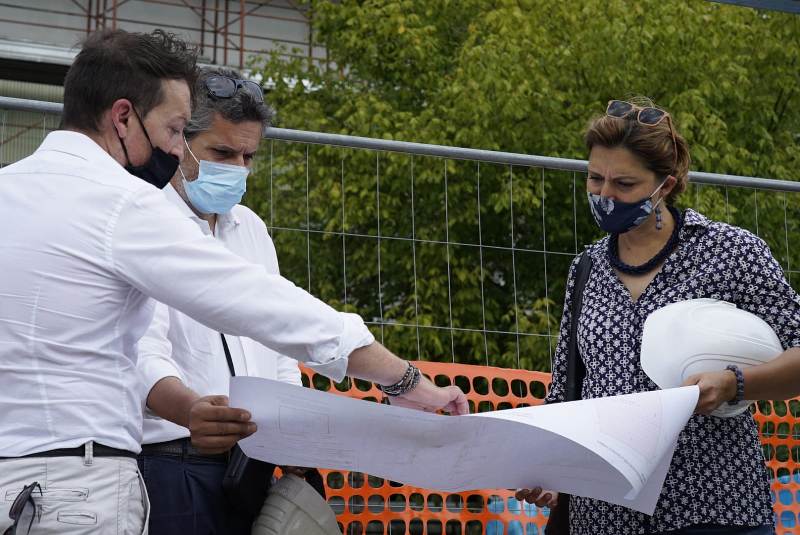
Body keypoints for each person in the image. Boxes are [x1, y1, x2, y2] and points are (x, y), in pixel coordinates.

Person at [0, 29, 467, 534]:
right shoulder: (123, 204)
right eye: (175, 130)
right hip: (82, 485)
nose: (176, 149)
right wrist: (402, 379)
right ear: (122, 117)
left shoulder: (10, 188)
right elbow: (259, 304)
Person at [516, 98, 800, 535]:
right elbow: (567, 391)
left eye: (624, 183)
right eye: (595, 178)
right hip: (604, 516)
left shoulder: (730, 251)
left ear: (665, 185)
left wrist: (734, 384)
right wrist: (550, 470)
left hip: (711, 507)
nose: (605, 195)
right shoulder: (586, 267)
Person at [136, 65, 311, 534]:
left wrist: (293, 430)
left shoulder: (250, 228)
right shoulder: (145, 221)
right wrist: (190, 410)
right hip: (173, 459)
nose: (237, 168)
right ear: (180, 141)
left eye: (248, 156)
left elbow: (279, 342)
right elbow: (140, 351)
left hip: (252, 465)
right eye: (222, 152)